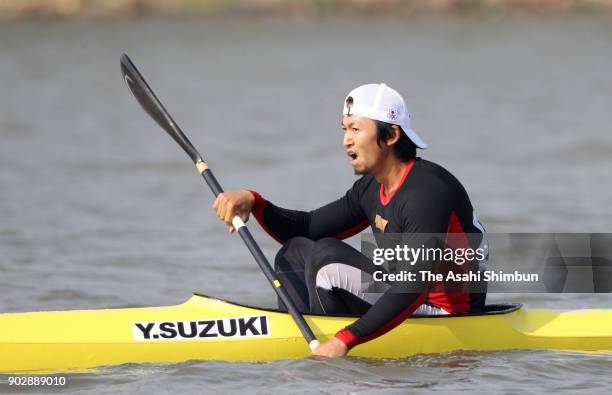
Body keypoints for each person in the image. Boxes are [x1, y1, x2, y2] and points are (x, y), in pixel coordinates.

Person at [213, 83, 487, 357]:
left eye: (356, 129)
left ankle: (330, 354)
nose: (346, 140)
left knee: (326, 258)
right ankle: (302, 338)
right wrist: (254, 201)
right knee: (295, 251)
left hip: (443, 313)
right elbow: (306, 227)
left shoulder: (427, 192)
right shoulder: (370, 187)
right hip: (401, 291)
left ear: (391, 135)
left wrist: (345, 339)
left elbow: (411, 288)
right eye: (344, 130)